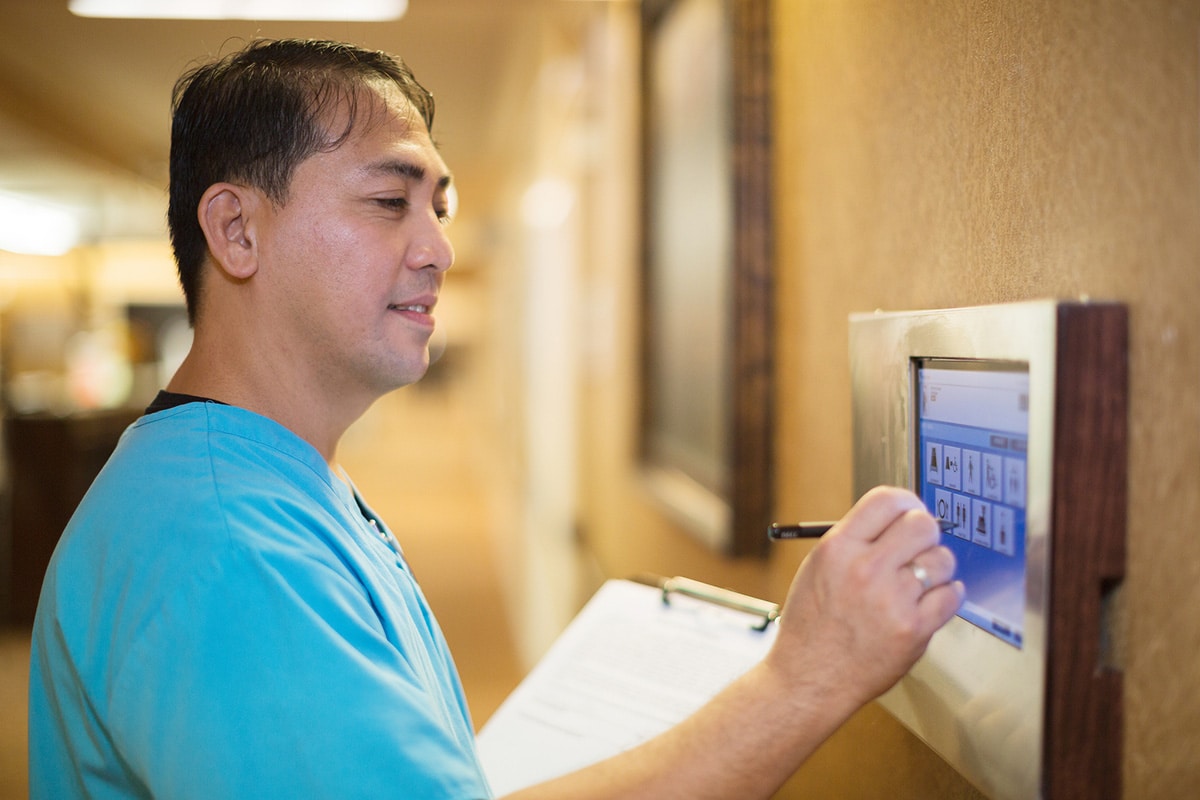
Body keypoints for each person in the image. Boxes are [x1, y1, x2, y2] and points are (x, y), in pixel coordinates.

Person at [28, 38, 963, 799]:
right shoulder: (226, 546)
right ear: (236, 231)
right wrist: (803, 680)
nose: (438, 249)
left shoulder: (267, 477)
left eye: (437, 206)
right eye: (390, 201)